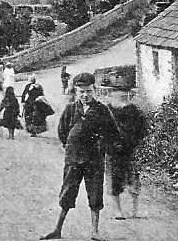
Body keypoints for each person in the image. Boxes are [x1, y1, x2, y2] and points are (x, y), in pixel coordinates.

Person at [41, 72, 123, 241]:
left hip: (94, 161)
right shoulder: (71, 109)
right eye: (81, 92)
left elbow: (113, 134)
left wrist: (102, 146)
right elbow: (62, 131)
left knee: (95, 193)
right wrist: (70, 147)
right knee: (68, 192)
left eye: (89, 91)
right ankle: (57, 229)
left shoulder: (102, 110)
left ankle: (95, 232)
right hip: (73, 159)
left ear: (95, 91)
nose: (85, 95)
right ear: (76, 92)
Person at [106, 87, 147, 220]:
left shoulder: (134, 110)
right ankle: (118, 211)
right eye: (116, 92)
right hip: (113, 151)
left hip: (131, 150)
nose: (120, 95)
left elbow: (143, 129)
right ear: (111, 94)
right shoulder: (107, 110)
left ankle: (135, 209)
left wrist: (136, 143)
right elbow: (101, 130)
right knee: (115, 180)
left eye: (123, 92)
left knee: (134, 179)